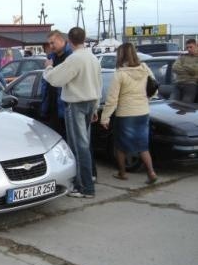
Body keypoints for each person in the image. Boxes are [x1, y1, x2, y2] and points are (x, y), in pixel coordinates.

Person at [43, 27, 102, 199]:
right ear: (84, 39)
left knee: (78, 146)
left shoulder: (74, 59)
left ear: (69, 40)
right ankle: (85, 179)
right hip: (90, 102)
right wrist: (96, 106)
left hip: (76, 104)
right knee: (84, 144)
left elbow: (55, 80)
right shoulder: (92, 58)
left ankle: (85, 188)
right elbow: (98, 84)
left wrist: (48, 68)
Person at [100, 43, 158, 184]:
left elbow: (112, 99)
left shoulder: (120, 74)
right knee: (142, 145)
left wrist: (105, 117)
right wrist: (145, 99)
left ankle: (122, 172)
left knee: (120, 145)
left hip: (126, 114)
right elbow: (154, 88)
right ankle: (151, 172)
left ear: (120, 56)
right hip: (143, 112)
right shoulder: (145, 69)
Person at [40, 30, 73, 138]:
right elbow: (45, 81)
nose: (50, 46)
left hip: (67, 109)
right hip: (52, 107)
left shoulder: (72, 57)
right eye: (49, 43)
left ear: (62, 40)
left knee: (70, 142)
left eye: (52, 43)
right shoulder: (51, 58)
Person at [171, 38, 198, 103]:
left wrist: (183, 65)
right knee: (171, 104)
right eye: (187, 47)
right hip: (178, 83)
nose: (189, 49)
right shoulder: (183, 56)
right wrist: (188, 69)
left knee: (185, 106)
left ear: (196, 46)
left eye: (191, 47)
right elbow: (175, 67)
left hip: (191, 85)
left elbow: (194, 70)